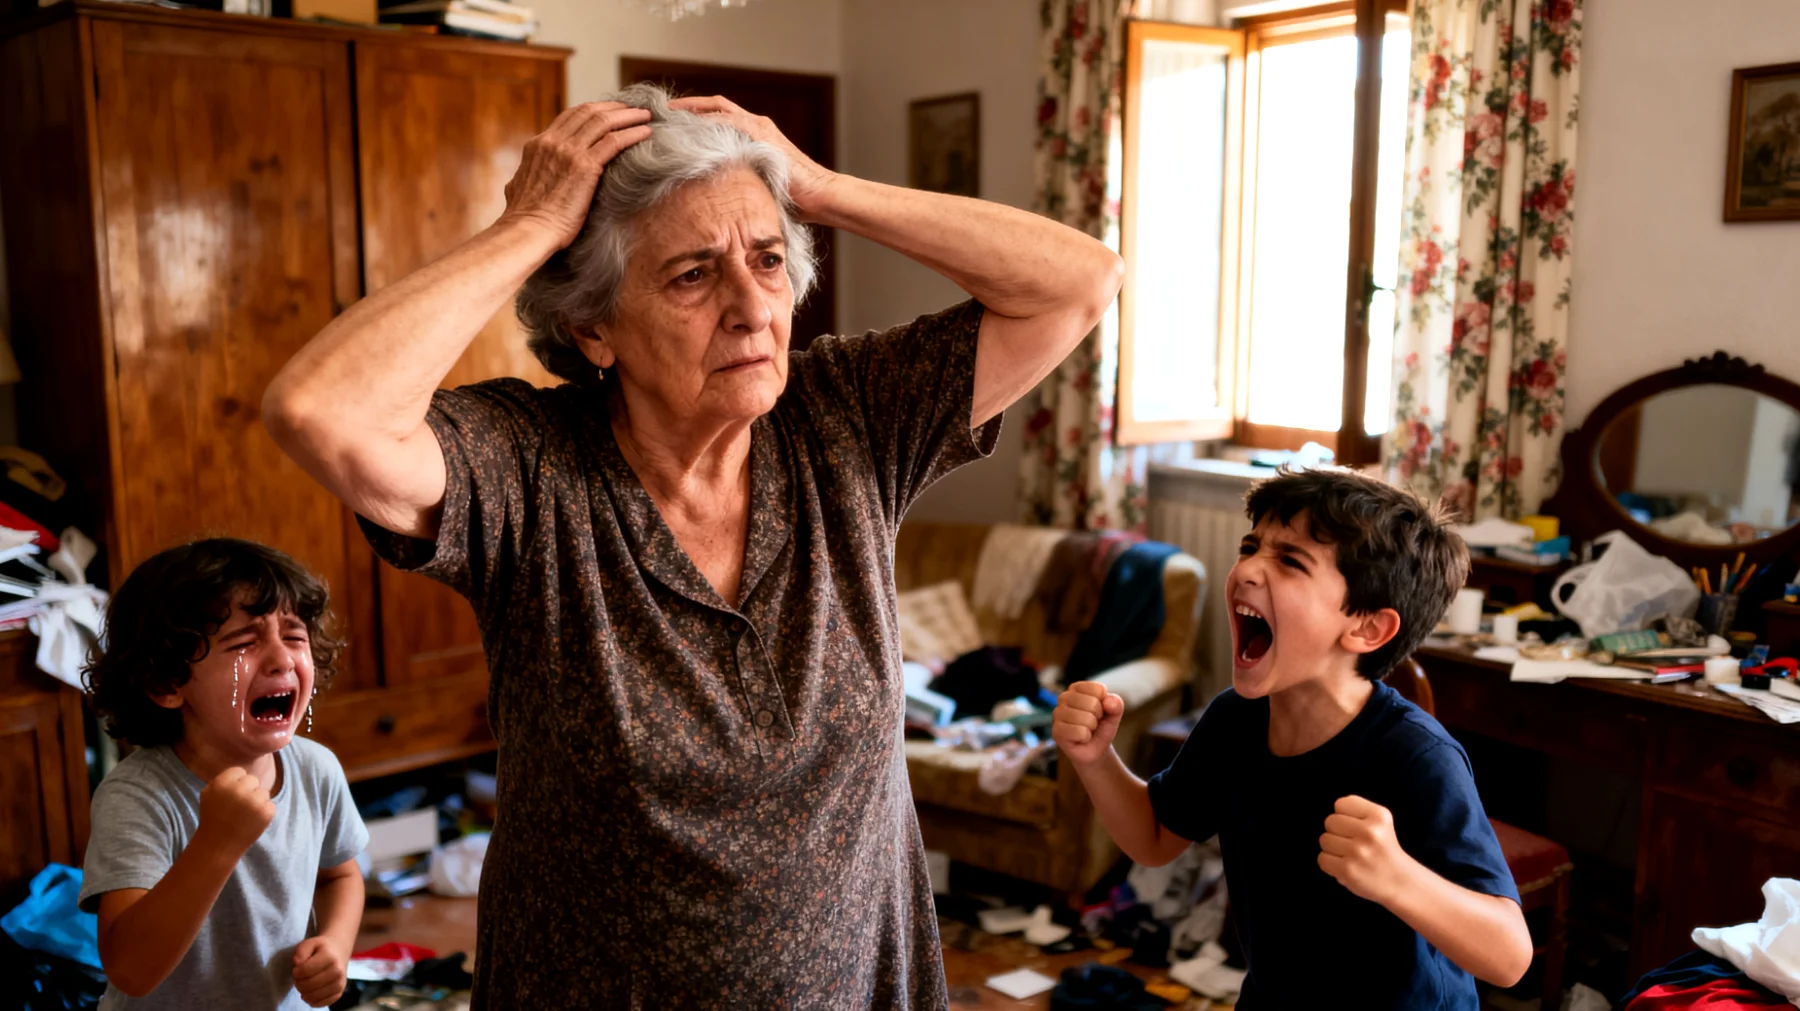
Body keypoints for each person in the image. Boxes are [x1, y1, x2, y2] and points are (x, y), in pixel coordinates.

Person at [261, 83, 1122, 1008]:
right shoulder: (530, 468)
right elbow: (320, 412)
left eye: (767, 259)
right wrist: (534, 223)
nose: (754, 308)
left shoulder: (847, 418)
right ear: (595, 328)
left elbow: (1080, 282)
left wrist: (819, 188)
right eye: (693, 275)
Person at [1054, 468, 1532, 1009]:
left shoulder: (1417, 757)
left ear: (1367, 628)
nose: (1248, 569)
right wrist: (1096, 759)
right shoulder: (1236, 721)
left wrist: (1397, 877)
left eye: (1290, 561)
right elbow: (1155, 837)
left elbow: (1509, 957)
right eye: (1250, 545)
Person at [79, 538, 368, 1010]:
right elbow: (130, 970)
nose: (282, 659)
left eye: (294, 636)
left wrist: (336, 943)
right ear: (166, 682)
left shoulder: (316, 768)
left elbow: (339, 876)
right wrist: (217, 842)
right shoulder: (138, 796)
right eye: (244, 643)